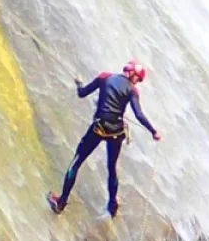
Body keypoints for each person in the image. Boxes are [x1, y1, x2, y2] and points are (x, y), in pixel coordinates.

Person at [49, 60, 160, 217]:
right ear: (133, 75)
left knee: (77, 162)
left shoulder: (104, 77)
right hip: (116, 132)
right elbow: (139, 114)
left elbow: (82, 93)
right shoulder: (132, 91)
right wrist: (153, 131)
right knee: (112, 168)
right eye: (138, 79)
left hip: (98, 128)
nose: (137, 82)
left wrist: (79, 83)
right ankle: (112, 205)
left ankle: (61, 202)